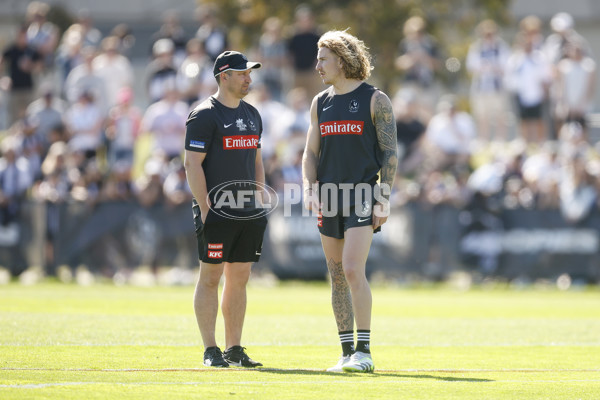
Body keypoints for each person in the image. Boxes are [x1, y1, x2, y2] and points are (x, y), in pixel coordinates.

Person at [302, 30, 398, 373]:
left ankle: (365, 351)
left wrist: (383, 198)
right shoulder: (319, 102)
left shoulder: (376, 100)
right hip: (328, 196)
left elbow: (389, 154)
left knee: (353, 269)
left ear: (341, 61)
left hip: (362, 194)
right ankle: (345, 352)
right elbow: (310, 153)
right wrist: (309, 187)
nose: (317, 66)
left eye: (323, 59)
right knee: (336, 275)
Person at [184, 51, 267, 368]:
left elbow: (257, 161)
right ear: (224, 76)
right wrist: (206, 210)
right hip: (217, 211)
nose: (249, 78)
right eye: (242, 73)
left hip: (247, 211)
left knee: (240, 278)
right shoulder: (204, 115)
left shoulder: (253, 114)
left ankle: (234, 348)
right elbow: (192, 164)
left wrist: (258, 200)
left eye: (249, 73)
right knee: (210, 277)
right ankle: (210, 349)